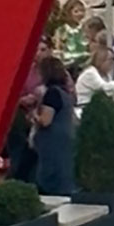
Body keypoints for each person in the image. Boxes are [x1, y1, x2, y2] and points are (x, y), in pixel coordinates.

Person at [31, 57, 76, 197]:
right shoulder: (65, 93)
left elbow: (45, 120)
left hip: (52, 140)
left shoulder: (52, 93)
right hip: (66, 137)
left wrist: (34, 115)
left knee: (51, 171)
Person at [56, 0, 90, 66]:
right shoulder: (61, 30)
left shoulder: (86, 28)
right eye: (76, 11)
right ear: (68, 13)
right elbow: (58, 50)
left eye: (82, 11)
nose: (80, 14)